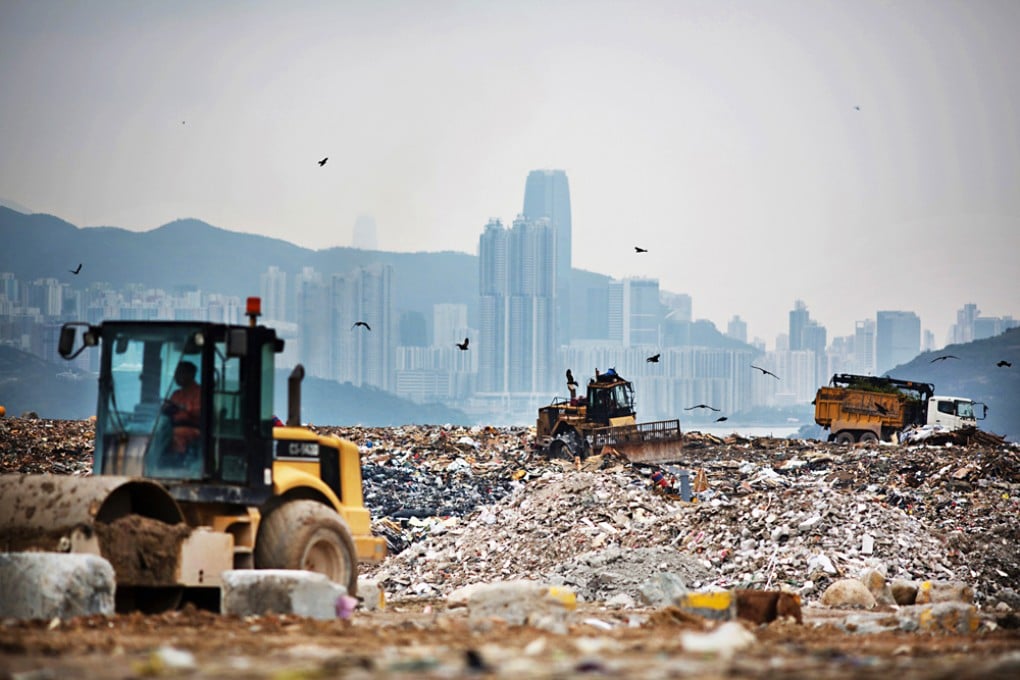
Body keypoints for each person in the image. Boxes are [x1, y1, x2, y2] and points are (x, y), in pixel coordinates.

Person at [165, 361, 201, 454]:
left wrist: (182, 408)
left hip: (193, 427)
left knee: (176, 434)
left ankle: (178, 460)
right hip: (173, 425)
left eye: (179, 373)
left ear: (190, 375)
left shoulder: (200, 392)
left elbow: (199, 412)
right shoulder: (176, 394)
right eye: (176, 373)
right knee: (159, 432)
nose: (176, 376)